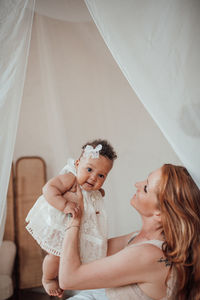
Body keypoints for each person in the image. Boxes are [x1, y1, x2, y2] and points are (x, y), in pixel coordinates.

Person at [58, 164, 200, 300]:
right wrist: (86, 203)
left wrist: (75, 218)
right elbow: (87, 253)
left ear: (159, 213)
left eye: (145, 188)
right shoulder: (138, 238)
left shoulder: (149, 254)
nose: (137, 184)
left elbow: (68, 279)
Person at [25, 139, 117, 298]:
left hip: (74, 230)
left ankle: (67, 278)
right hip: (57, 226)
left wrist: (97, 193)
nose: (94, 178)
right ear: (77, 164)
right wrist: (64, 204)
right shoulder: (70, 178)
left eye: (101, 175)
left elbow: (92, 197)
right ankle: (48, 278)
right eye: (89, 169)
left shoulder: (90, 187)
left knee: (73, 256)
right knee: (55, 255)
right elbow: (48, 188)